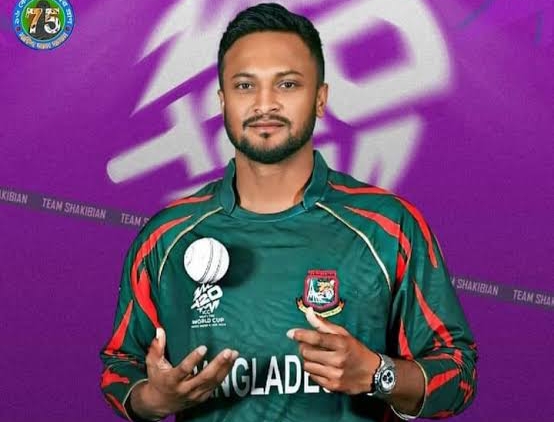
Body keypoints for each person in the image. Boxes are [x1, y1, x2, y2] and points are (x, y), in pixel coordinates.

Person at [100, 3, 477, 421]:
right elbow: (119, 365)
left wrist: (378, 374)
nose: (265, 104)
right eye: (245, 86)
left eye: (288, 84)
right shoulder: (166, 237)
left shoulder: (389, 227)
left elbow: (458, 375)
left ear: (320, 99)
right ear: (222, 101)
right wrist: (154, 400)